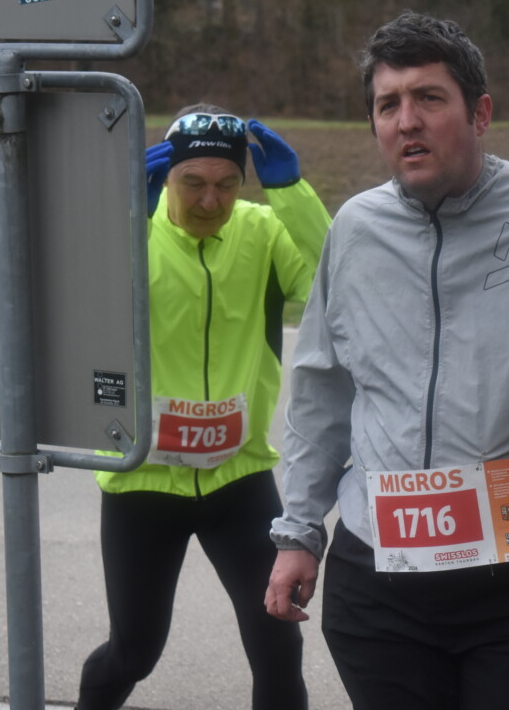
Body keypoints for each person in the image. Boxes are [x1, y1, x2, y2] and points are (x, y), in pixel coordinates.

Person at [265, 11, 509, 709]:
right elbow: (322, 392)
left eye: (429, 98)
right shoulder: (355, 229)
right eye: (388, 104)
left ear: (480, 114)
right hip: (379, 583)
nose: (407, 121)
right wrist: (299, 531)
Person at [78, 104, 330, 710]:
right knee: (134, 653)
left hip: (239, 481)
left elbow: (338, 284)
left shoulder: (262, 233)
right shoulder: (136, 231)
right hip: (142, 482)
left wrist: (291, 195)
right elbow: (80, 307)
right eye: (193, 182)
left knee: (278, 647)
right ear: (166, 178)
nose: (210, 200)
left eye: (227, 183)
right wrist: (123, 222)